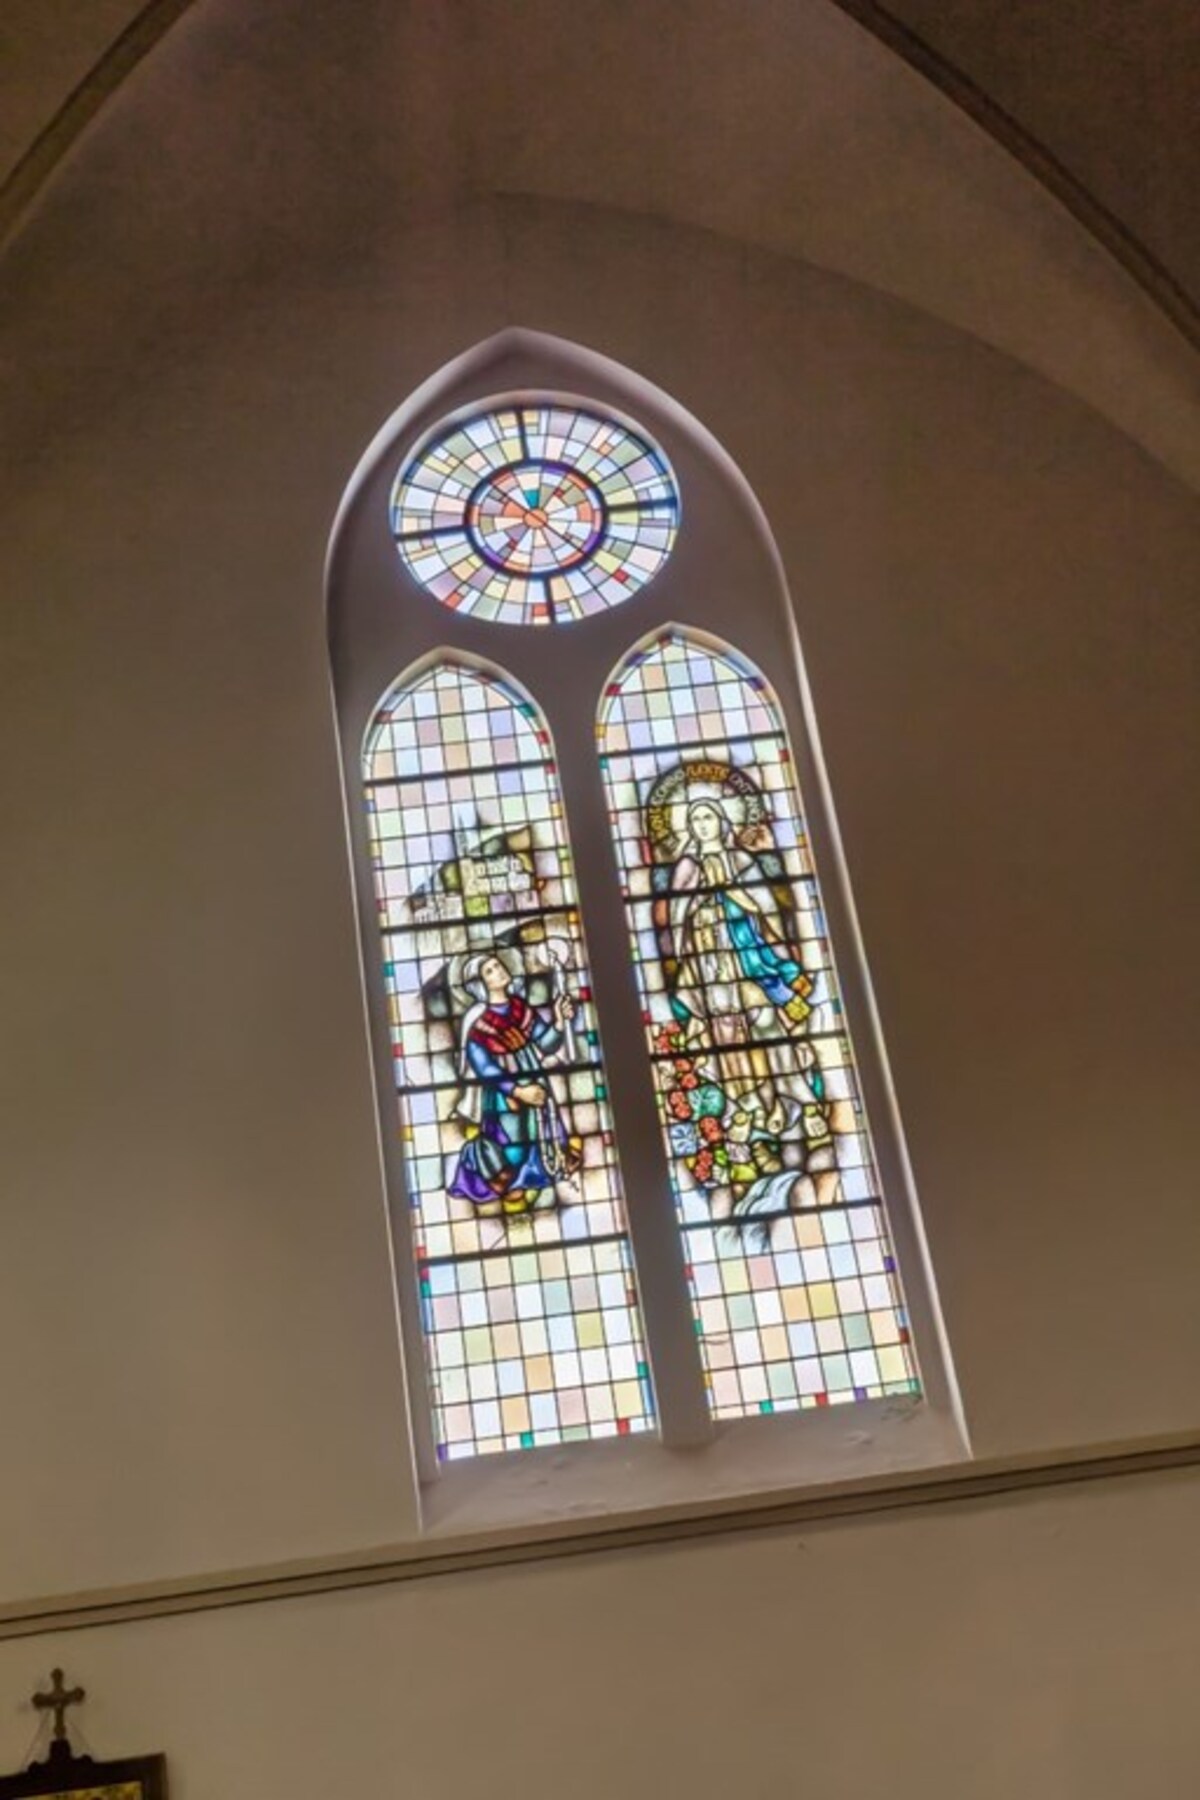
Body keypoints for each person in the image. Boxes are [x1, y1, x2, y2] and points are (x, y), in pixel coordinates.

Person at [668, 797, 823, 1137]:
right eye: (696, 820)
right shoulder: (686, 869)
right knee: (725, 1034)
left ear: (722, 821)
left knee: (766, 1021)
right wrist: (699, 899)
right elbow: (677, 919)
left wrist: (733, 894)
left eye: (709, 817)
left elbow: (766, 910)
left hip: (749, 957)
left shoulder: (741, 860)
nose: (703, 825)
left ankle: (795, 1095)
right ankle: (751, 1106)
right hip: (709, 962)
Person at [448, 950, 581, 1215]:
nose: (499, 970)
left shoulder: (521, 1009)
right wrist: (518, 1091)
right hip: (503, 1095)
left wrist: (558, 1021)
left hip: (534, 1078)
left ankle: (537, 1175)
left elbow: (546, 1044)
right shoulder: (479, 1025)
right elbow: (485, 1068)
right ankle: (474, 1158)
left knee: (541, 1132)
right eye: (490, 970)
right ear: (480, 984)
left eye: (498, 965)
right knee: (513, 1150)